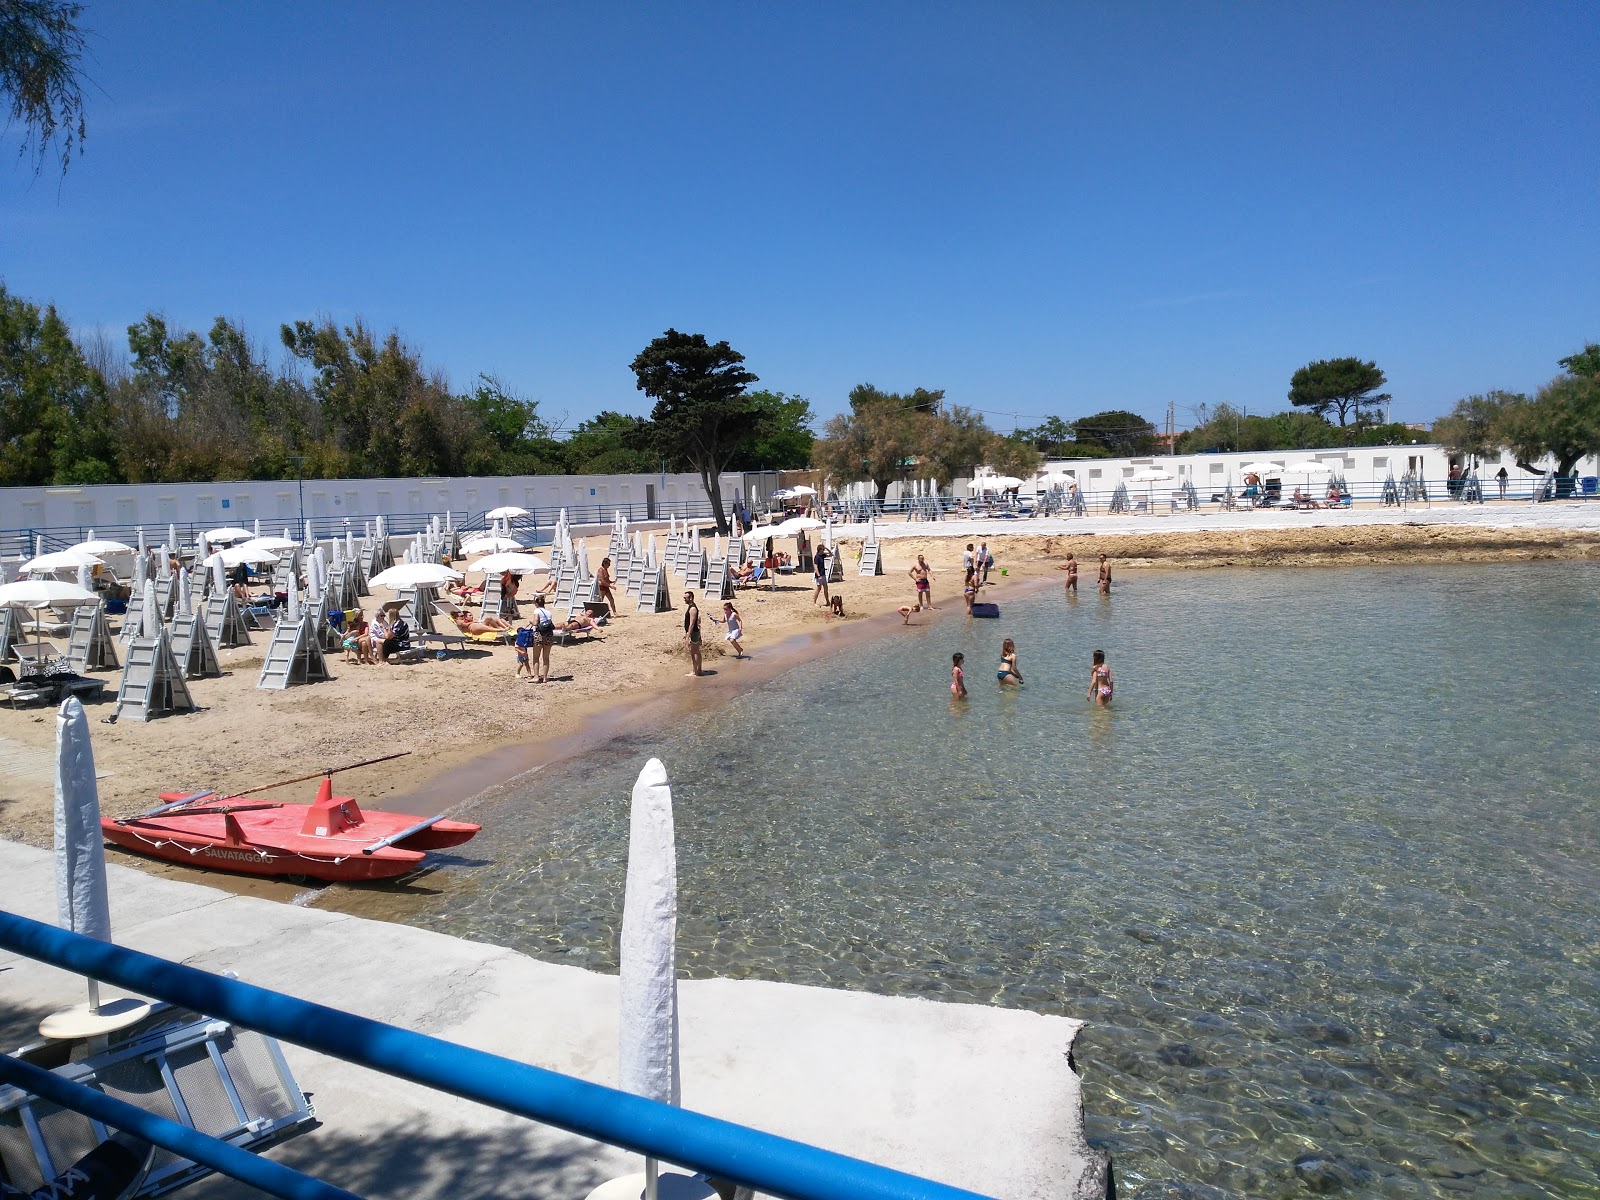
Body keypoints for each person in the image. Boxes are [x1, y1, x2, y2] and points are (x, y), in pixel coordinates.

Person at [530, 595, 555, 682]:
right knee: (546, 657)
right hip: (549, 635)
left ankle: (536, 677)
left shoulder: (537, 610)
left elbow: (536, 622)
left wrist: (531, 622)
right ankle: (545, 677)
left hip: (539, 635)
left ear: (536, 603)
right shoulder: (549, 612)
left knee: (536, 657)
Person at [682, 590, 703, 677]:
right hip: (694, 632)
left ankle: (696, 671)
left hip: (694, 633)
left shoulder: (693, 609)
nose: (684, 599)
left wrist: (688, 636)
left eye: (685, 598)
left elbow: (692, 624)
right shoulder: (691, 607)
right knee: (696, 651)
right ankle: (699, 670)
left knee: (694, 652)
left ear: (690, 598)